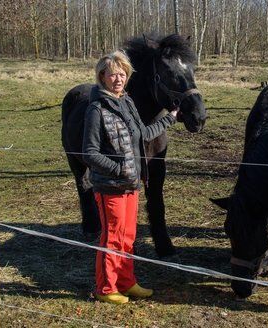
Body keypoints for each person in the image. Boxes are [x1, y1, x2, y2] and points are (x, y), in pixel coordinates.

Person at [82, 50, 178, 305]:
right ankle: (105, 287)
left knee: (128, 236)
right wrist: (118, 169)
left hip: (132, 184)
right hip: (111, 186)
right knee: (112, 236)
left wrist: (170, 118)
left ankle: (126, 281)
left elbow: (144, 134)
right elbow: (89, 153)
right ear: (102, 77)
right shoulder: (96, 109)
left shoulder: (127, 102)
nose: (119, 79)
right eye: (113, 74)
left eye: (123, 74)